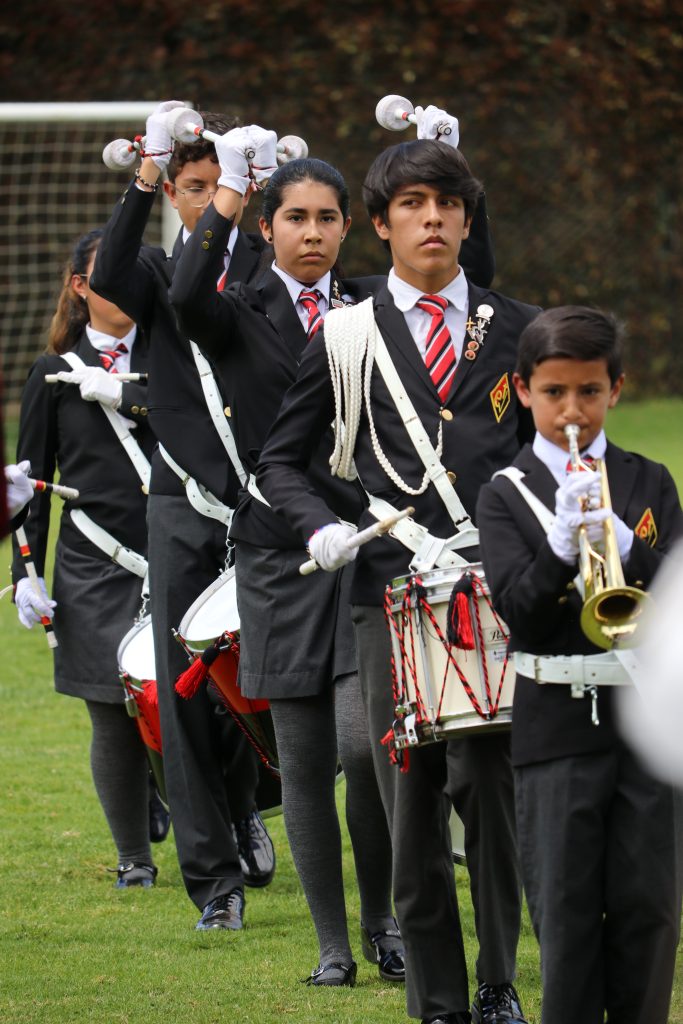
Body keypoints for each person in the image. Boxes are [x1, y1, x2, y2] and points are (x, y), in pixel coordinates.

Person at [169, 112, 494, 986]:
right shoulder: (236, 309)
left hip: (372, 548)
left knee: (367, 747)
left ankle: (386, 920)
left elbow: (477, 286)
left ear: (351, 226)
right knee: (308, 761)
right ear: (268, 226)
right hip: (281, 553)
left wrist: (447, 161)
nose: (310, 233)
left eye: (325, 218)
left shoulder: (371, 304)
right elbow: (184, 292)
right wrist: (227, 183)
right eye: (293, 218)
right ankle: (332, 947)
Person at [254, 137, 538, 1023]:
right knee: (409, 798)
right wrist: (321, 526)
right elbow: (280, 461)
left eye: (447, 203)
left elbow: (550, 457)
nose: (432, 219)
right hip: (389, 592)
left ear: (467, 219)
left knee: (491, 793)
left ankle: (497, 983)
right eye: (411, 205)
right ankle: (436, 998)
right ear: (379, 225)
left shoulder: (521, 327)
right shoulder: (345, 333)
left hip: (494, 594)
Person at [91, 102, 275, 931]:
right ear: (174, 193)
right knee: (182, 687)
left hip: (268, 501)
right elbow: (107, 270)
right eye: (189, 186)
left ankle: (248, 807)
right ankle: (215, 883)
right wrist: (146, 169)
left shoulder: (269, 270)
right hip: (182, 504)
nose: (203, 199)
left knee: (271, 678)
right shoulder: (156, 273)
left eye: (216, 184)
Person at [475, 305, 683, 1024]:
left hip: (645, 727)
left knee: (650, 914)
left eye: (589, 391)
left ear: (615, 389)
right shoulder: (503, 493)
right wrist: (561, 546)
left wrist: (627, 541)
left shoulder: (649, 480)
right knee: (565, 923)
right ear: (523, 390)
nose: (572, 410)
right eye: (554, 392)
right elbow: (520, 613)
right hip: (556, 730)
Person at [11, 229, 160, 888]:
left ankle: (232, 821)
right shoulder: (52, 372)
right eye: (109, 273)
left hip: (180, 555)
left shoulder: (175, 356)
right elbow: (29, 485)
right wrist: (24, 574)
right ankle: (134, 856)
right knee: (112, 714)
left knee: (199, 707)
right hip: (95, 565)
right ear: (79, 286)